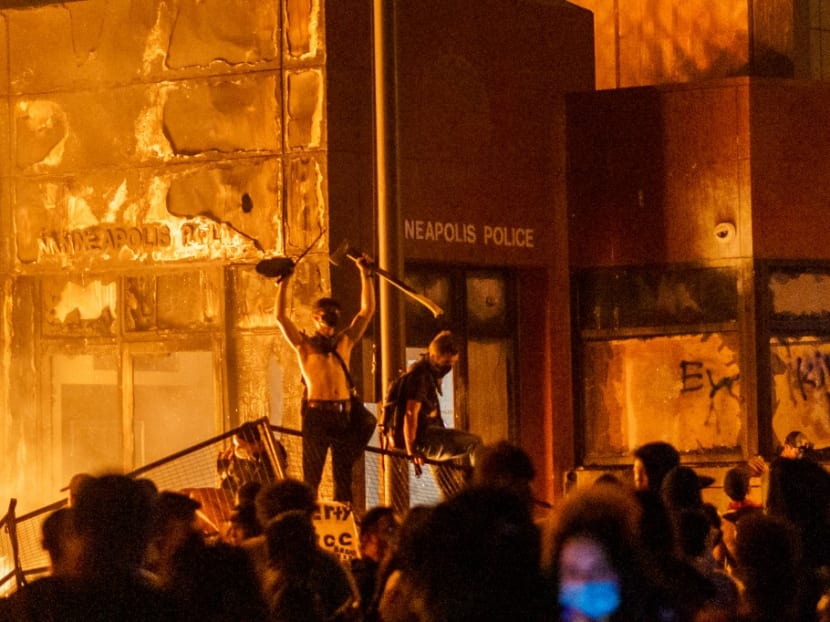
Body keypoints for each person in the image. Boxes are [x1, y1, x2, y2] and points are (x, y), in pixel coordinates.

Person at [275, 252, 376, 504]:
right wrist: (284, 282)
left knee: (343, 477)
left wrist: (365, 275)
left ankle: (343, 521)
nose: (329, 323)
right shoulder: (304, 345)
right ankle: (312, 523)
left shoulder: (344, 342)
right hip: (317, 416)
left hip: (343, 415)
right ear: (316, 318)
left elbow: (366, 312)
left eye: (333, 317)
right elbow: (280, 317)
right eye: (324, 317)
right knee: (313, 477)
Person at [398, 330, 482, 497]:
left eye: (452, 363)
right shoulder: (420, 376)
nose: (449, 367)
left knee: (449, 489)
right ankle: (481, 488)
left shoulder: (424, 372)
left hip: (429, 436)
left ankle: (454, 513)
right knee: (475, 443)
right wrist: (412, 450)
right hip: (426, 439)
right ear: (435, 356)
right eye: (447, 362)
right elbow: (410, 413)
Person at [350, 505, 399, 620]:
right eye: (389, 530)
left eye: (397, 529)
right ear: (368, 537)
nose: (396, 536)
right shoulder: (361, 579)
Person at [217, 422, 278, 494]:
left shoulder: (268, 459)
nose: (236, 450)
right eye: (235, 445)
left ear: (254, 443)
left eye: (240, 446)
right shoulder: (253, 458)